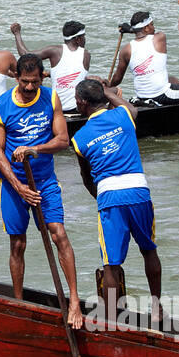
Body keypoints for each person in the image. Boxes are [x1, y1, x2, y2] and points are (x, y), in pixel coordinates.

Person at [0, 53, 81, 321]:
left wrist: (34, 148)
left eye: (34, 82)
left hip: (44, 181)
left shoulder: (51, 98)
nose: (30, 88)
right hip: (13, 184)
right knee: (18, 244)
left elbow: (63, 139)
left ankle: (74, 300)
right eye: (25, 82)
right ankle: (19, 304)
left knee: (59, 235)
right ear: (16, 78)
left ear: (43, 78)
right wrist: (18, 187)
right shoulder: (1, 107)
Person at [71, 78, 162, 325]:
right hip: (138, 191)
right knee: (148, 250)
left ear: (81, 103)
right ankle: (157, 307)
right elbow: (132, 108)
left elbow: (87, 178)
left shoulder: (79, 139)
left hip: (109, 196)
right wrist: (109, 92)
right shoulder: (124, 115)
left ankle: (111, 318)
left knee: (111, 263)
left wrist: (100, 198)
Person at [109, 11, 179, 106]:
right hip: (162, 95)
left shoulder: (126, 49)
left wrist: (107, 88)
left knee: (172, 79)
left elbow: (117, 79)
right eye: (152, 25)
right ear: (146, 28)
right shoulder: (159, 38)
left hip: (142, 95)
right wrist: (130, 29)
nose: (154, 28)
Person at [10, 21, 88, 113]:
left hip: (56, 107)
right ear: (78, 39)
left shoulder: (54, 50)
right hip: (77, 109)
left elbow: (24, 54)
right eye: (83, 37)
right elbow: (75, 73)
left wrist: (17, 33)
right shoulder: (86, 55)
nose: (84, 39)